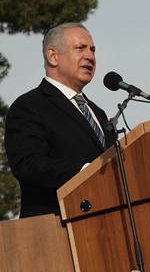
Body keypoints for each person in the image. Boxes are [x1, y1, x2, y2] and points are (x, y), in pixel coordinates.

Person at [5, 23, 114, 218]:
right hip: (56, 226)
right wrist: (85, 172)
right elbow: (27, 164)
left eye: (93, 50)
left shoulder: (98, 113)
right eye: (81, 48)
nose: (90, 56)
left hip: (105, 220)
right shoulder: (29, 106)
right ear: (53, 56)